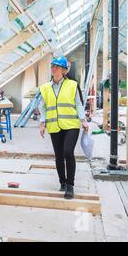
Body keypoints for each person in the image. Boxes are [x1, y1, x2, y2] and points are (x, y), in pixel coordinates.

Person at [38, 56, 89, 199]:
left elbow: (78, 103)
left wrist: (83, 120)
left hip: (71, 124)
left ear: (64, 70)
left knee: (68, 152)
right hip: (54, 125)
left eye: (57, 66)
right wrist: (42, 123)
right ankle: (62, 182)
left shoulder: (72, 85)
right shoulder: (45, 88)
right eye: (52, 66)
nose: (53, 68)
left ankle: (70, 185)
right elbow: (43, 107)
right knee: (59, 156)